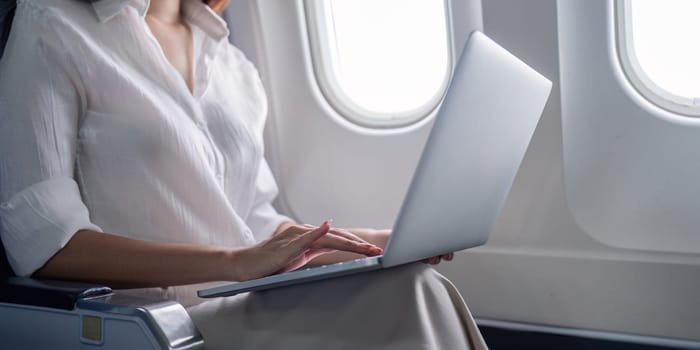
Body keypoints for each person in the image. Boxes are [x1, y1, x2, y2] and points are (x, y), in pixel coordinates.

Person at [0, 0, 488, 348]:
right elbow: (45, 243)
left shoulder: (234, 65)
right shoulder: (53, 24)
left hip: (242, 302)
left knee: (408, 285)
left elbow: (256, 221)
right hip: (151, 325)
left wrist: (367, 243)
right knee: (405, 300)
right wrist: (237, 261)